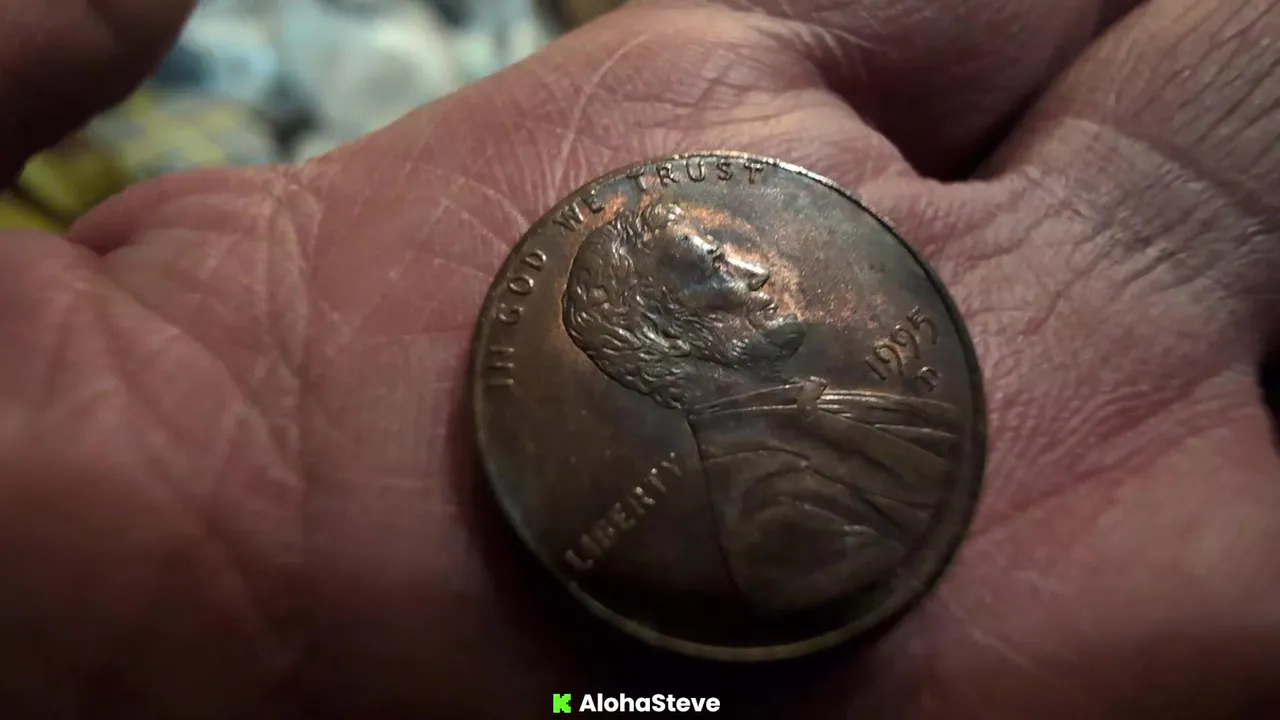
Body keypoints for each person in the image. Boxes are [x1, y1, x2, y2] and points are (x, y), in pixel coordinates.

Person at [0, 0, 1275, 717]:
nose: (752, 262)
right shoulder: (782, 527)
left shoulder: (862, 401)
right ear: (670, 341)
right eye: (706, 268)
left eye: (735, 241)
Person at [562, 202, 962, 615]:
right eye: (715, 266)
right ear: (665, 334)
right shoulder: (774, 521)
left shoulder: (818, 409)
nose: (757, 273)